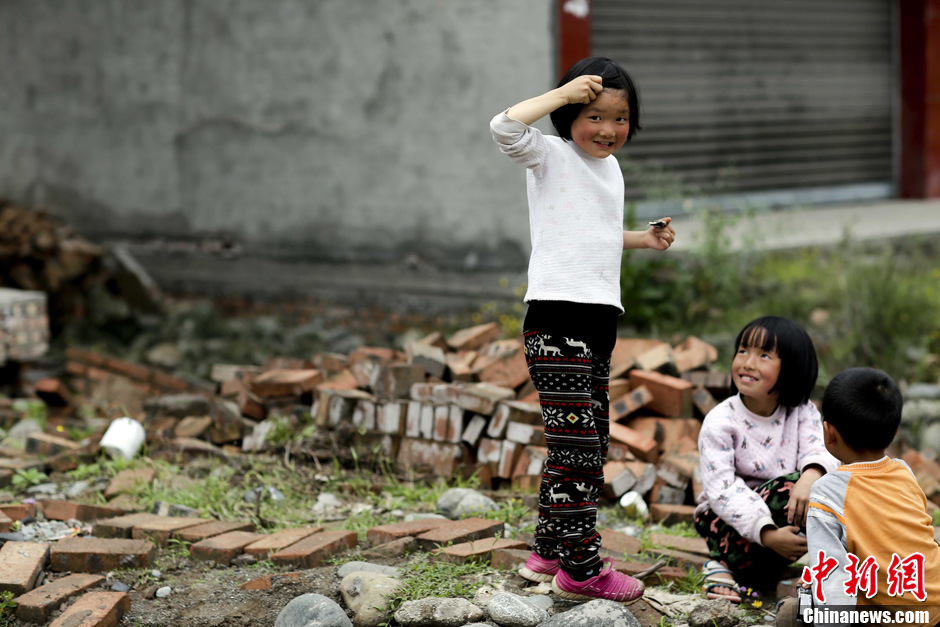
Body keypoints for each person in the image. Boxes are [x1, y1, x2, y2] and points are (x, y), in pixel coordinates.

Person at [490, 56, 676, 603]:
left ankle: (547, 550)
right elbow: (504, 125)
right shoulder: (547, 156)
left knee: (583, 440)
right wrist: (560, 91)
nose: (606, 130)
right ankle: (581, 568)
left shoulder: (610, 171)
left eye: (619, 119)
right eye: (593, 115)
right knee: (580, 447)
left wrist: (642, 240)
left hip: (597, 319)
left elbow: (590, 232)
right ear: (569, 112)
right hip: (556, 317)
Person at [776, 368, 940, 627]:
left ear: (829, 432)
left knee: (790, 613)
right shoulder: (904, 472)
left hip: (890, 618)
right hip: (933, 609)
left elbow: (834, 586)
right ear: (895, 430)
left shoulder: (827, 491)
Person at [694, 316, 839, 602]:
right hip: (724, 523)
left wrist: (811, 474)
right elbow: (722, 489)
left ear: (792, 367)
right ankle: (722, 565)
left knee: (825, 485)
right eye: (743, 351)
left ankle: (773, 570)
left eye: (763, 355)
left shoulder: (801, 411)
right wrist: (768, 534)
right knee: (791, 489)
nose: (748, 363)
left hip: (784, 516)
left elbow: (821, 450)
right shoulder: (721, 421)